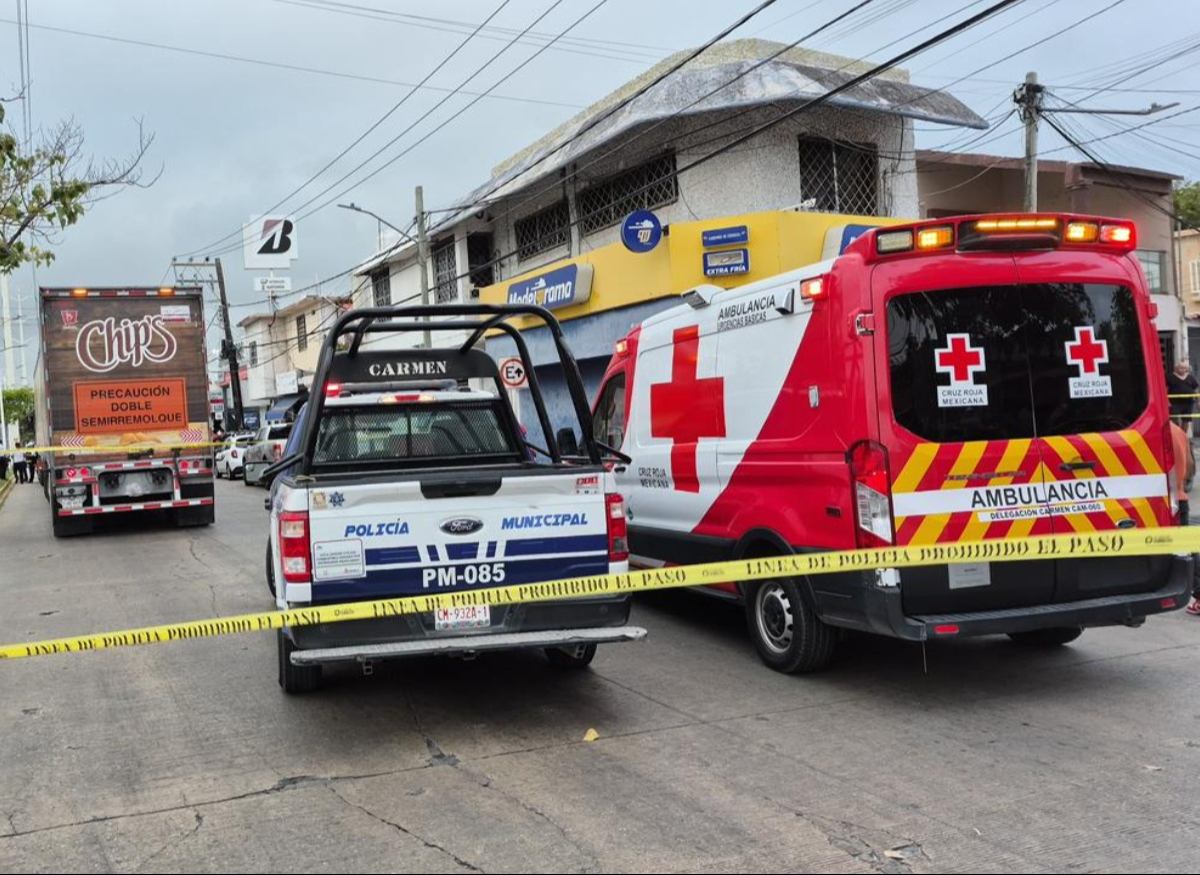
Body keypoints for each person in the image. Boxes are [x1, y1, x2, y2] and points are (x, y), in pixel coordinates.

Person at [1167, 359, 1199, 431]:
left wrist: (1198, 401)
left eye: (1185, 368)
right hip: (1174, 402)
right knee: (1174, 419)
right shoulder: (1170, 377)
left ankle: (1183, 437)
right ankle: (1176, 436)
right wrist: (1167, 401)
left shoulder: (1191, 378)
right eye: (1181, 368)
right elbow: (1165, 389)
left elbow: (1195, 390)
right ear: (1176, 368)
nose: (1183, 370)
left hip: (1188, 402)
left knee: (1186, 420)